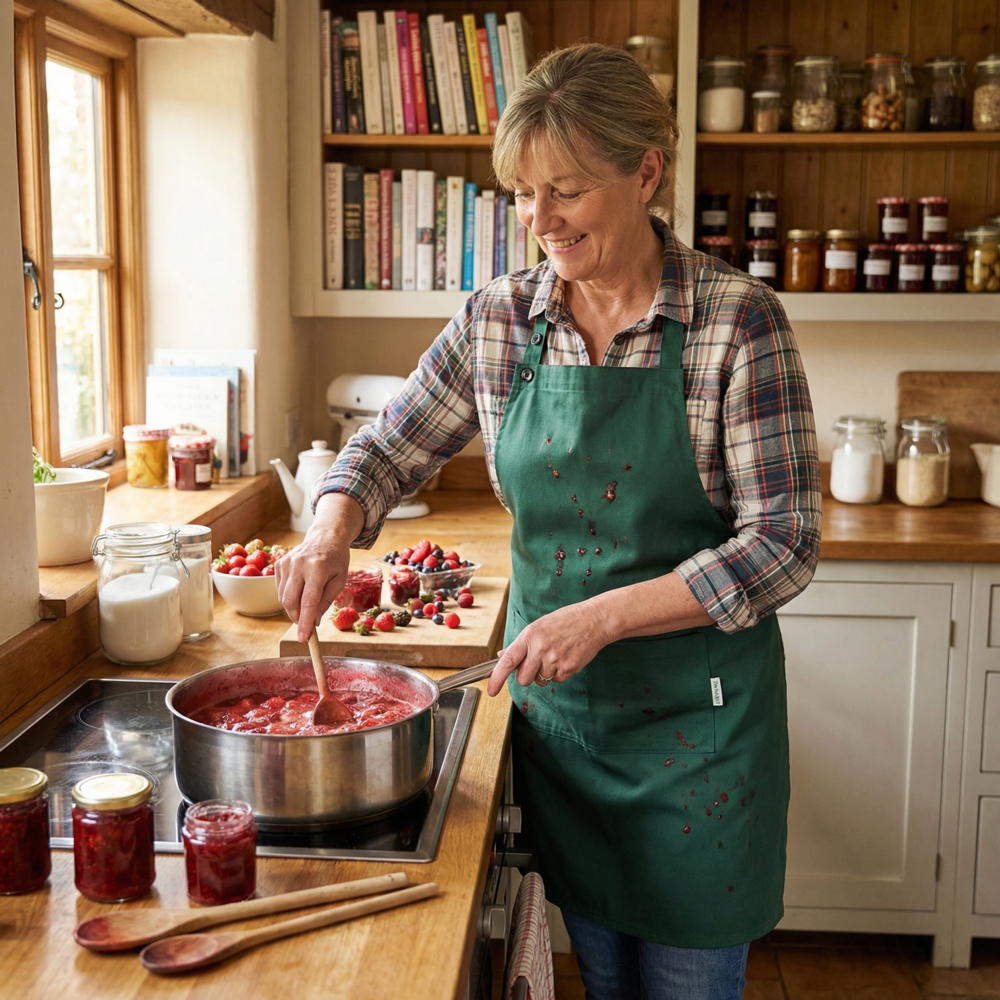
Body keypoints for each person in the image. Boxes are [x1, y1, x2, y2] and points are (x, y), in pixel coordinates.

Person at [277, 42, 821, 1000]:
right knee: (603, 985)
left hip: (701, 739)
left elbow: (784, 544)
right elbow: (388, 446)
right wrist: (329, 526)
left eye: (565, 191)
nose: (540, 220)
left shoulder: (737, 321)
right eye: (524, 195)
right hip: (567, 735)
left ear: (645, 172)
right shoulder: (499, 319)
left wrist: (603, 617)